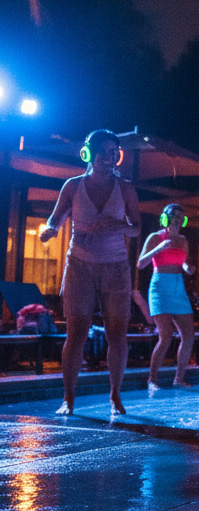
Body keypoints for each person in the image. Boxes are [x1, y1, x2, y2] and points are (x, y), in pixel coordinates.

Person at [40, 129, 141, 417]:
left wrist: (120, 226)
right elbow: (56, 217)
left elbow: (136, 227)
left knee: (117, 335)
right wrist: (50, 229)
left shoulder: (127, 189)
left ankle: (115, 396)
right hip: (80, 264)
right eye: (105, 152)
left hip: (115, 266)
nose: (111, 158)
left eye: (115, 153)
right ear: (90, 154)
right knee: (77, 334)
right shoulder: (73, 186)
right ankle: (68, 399)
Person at [137, 204, 196, 391]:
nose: (179, 219)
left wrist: (188, 269)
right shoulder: (155, 237)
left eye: (182, 216)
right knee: (166, 335)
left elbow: (184, 263)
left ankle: (179, 378)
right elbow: (140, 264)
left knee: (189, 335)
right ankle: (152, 380)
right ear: (167, 218)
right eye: (175, 216)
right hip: (160, 286)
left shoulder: (184, 240)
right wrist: (159, 247)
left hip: (178, 287)